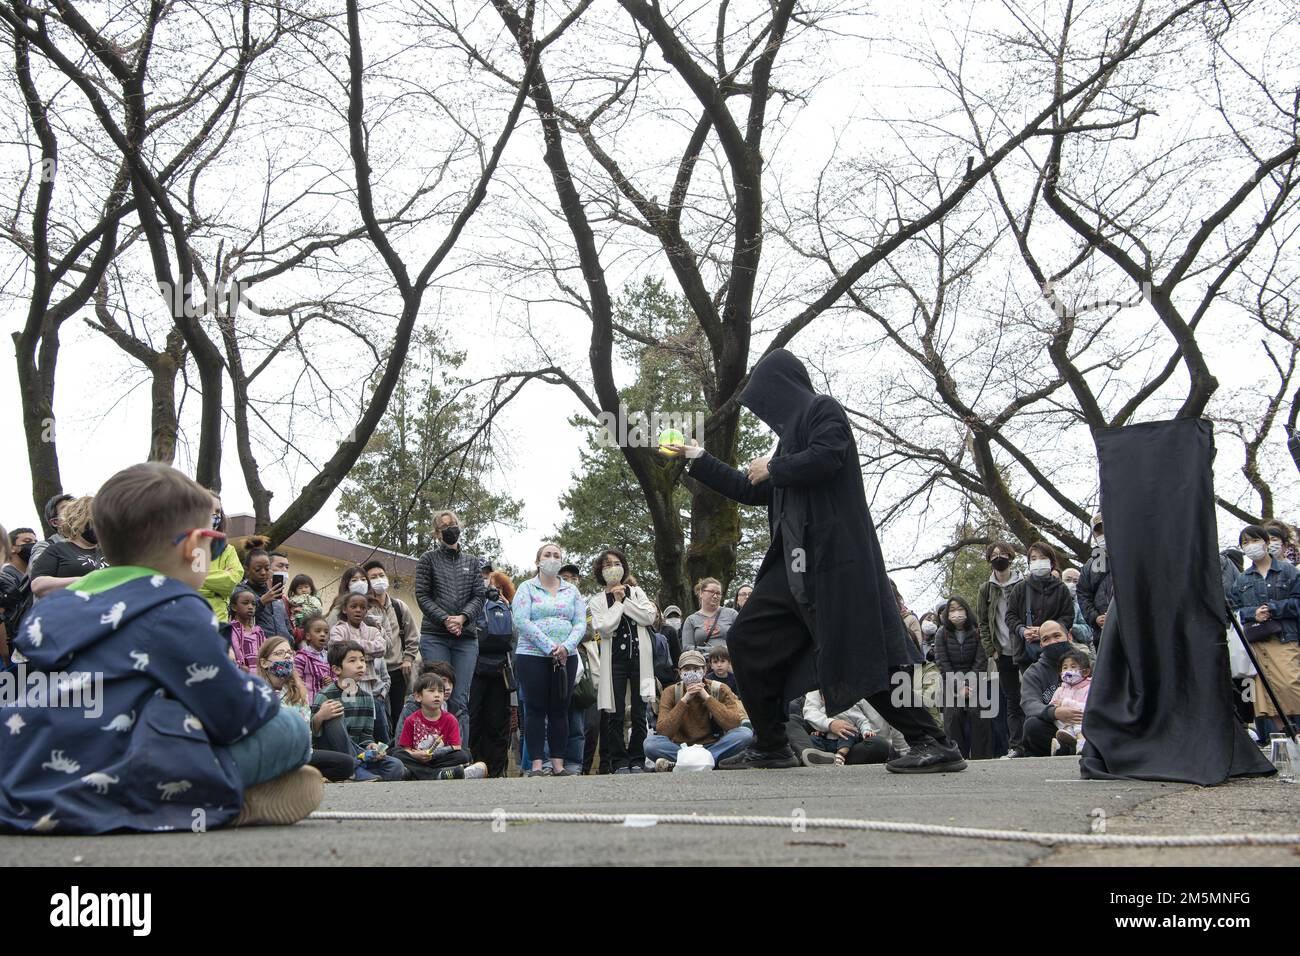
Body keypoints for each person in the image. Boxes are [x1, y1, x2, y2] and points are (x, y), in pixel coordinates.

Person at [668, 348, 964, 773]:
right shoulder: (785, 444)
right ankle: (771, 745)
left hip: (834, 568)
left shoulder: (824, 411)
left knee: (858, 663)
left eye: (766, 399)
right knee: (748, 639)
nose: (764, 412)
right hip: (791, 572)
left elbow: (829, 456)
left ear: (782, 388)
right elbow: (750, 489)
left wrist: (776, 465)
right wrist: (698, 459)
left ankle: (932, 741)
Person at [0, 462, 322, 832]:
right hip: (127, 773)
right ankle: (226, 798)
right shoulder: (174, 607)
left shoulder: (56, 608)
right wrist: (263, 697)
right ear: (191, 547)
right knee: (290, 731)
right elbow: (232, 709)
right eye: (213, 542)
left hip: (24, 778)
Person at [511, 542, 585, 776]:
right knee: (534, 709)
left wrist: (566, 646)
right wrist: (549, 646)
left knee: (559, 710)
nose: (552, 558)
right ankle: (535, 764)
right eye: (547, 555)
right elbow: (521, 620)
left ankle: (558, 764)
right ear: (538, 561)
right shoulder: (526, 588)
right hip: (532, 656)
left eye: (556, 555)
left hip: (566, 657)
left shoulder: (571, 591)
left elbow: (580, 622)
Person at [414, 510, 486, 745]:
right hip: (435, 635)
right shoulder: (428, 559)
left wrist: (463, 618)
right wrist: (446, 619)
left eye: (453, 524)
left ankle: (459, 754)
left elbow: (479, 595)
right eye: (444, 526)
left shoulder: (473, 562)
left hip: (465, 638)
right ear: (436, 533)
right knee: (436, 695)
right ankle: (433, 752)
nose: (450, 528)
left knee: (459, 700)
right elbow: (423, 596)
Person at [589, 548, 656, 774]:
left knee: (639, 712)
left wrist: (625, 599)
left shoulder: (636, 592)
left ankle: (637, 758)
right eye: (607, 565)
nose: (612, 568)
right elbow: (604, 628)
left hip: (639, 659)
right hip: (614, 660)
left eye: (616, 563)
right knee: (614, 712)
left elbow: (648, 617)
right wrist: (617, 604)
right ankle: (618, 761)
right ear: (600, 570)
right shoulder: (598, 600)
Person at [1231, 524, 1300, 742]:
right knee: (1266, 693)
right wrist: (1253, 613)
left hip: (1284, 637)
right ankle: (1286, 737)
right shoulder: (1243, 579)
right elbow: (1234, 609)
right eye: (1245, 543)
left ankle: (1295, 731)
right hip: (1256, 642)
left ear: (1265, 541)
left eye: (1254, 540)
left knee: (1290, 684)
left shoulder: (1288, 571)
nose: (1250, 546)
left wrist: (1272, 609)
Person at [256, 636, 355, 782]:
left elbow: (306, 733)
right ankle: (303, 777)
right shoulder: (255, 692)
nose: (286, 657)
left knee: (346, 764)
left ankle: (304, 776)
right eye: (279, 653)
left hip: (300, 753)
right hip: (272, 755)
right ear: (264, 663)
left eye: (289, 653)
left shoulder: (298, 692)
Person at [311, 641, 406, 781]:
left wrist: (371, 746)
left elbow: (365, 735)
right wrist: (320, 716)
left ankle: (359, 772)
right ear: (337, 669)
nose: (360, 664)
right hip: (333, 753)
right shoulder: (325, 695)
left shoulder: (367, 698)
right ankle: (354, 770)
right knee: (334, 712)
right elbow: (312, 735)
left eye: (362, 659)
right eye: (352, 660)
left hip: (357, 753)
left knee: (396, 766)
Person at [645, 650, 752, 770]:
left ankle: (685, 763)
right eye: (687, 669)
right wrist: (684, 700)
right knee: (650, 744)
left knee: (745, 733)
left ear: (705, 670)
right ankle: (707, 761)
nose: (692, 673)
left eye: (696, 669)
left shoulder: (720, 688)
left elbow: (734, 723)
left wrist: (706, 697)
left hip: (714, 745)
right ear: (680, 672)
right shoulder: (670, 692)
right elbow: (663, 731)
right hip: (681, 747)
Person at [977, 541, 1026, 756]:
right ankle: (1016, 746)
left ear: (1011, 557)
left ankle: (1038, 742)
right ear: (989, 560)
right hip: (1002, 652)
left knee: (1032, 694)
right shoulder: (985, 589)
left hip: (1024, 649)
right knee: (1012, 699)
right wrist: (991, 650)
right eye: (994, 554)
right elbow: (982, 622)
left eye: (1003, 553)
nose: (999, 557)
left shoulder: (1023, 584)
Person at [395, 673, 488, 780]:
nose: (437, 695)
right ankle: (441, 774)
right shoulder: (411, 720)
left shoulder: (450, 719)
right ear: (418, 696)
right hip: (418, 759)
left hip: (440, 759)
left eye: (440, 691)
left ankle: (419, 774)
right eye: (431, 691)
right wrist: (416, 755)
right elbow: (406, 749)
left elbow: (456, 746)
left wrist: (434, 754)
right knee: (398, 754)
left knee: (463, 755)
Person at [470, 569, 518, 778]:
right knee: (474, 720)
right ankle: (474, 766)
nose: (492, 591)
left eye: (498, 588)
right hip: (474, 668)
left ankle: (498, 771)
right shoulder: (471, 604)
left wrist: (507, 609)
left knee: (498, 722)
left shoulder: (508, 608)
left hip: (501, 670)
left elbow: (514, 640)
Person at [363, 560, 419, 735]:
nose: (379, 579)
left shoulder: (399, 606)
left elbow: (412, 636)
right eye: (373, 577)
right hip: (372, 671)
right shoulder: (362, 608)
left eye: (381, 575)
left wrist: (408, 658)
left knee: (398, 714)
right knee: (377, 716)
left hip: (398, 670)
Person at [330, 591, 392, 745]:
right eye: (354, 606)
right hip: (347, 680)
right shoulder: (339, 629)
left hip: (367, 681)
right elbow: (337, 648)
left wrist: (352, 646)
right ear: (345, 609)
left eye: (362, 607)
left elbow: (381, 648)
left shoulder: (373, 631)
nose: (358, 610)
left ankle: (366, 748)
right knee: (349, 713)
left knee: (367, 717)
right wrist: (366, 651)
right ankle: (349, 747)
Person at [935, 596, 992, 760]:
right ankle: (955, 757)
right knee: (953, 717)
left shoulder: (977, 631)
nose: (956, 613)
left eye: (960, 608)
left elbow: (981, 660)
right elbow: (942, 663)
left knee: (979, 715)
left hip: (975, 679)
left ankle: (983, 758)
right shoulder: (942, 633)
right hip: (951, 681)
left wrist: (969, 685)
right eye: (952, 609)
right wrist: (959, 687)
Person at [1018, 622, 1084, 757]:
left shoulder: (1087, 664)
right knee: (1031, 726)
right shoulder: (1033, 673)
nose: (1053, 642)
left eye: (1057, 636)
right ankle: (1069, 750)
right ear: (1041, 644)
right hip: (1056, 727)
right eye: (1046, 639)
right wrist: (1055, 712)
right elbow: (1029, 704)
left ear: (1069, 636)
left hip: (1086, 721)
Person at [1006, 540, 1075, 667]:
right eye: (1033, 558)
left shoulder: (1061, 588)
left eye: (1042, 558)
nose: (1038, 561)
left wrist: (1046, 631)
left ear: (1052, 562)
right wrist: (1022, 630)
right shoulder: (1020, 588)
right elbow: (1010, 616)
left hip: (1057, 651)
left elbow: (1068, 617)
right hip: (1026, 653)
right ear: (1029, 563)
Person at [28, 495, 106, 598]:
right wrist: (85, 581)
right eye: (92, 520)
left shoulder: (110, 550)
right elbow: (38, 584)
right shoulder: (56, 549)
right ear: (77, 520)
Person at [798, 689, 898, 766]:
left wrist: (867, 732)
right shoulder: (821, 707)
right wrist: (829, 725)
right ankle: (813, 756)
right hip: (825, 739)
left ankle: (839, 757)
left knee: (879, 745)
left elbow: (862, 721)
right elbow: (810, 713)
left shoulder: (850, 708)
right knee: (797, 724)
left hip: (849, 741)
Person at [198, 493, 243, 623]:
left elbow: (231, 582)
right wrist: (222, 576)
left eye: (217, 511)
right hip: (190, 617)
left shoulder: (228, 550)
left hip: (219, 622)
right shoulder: (184, 547)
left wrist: (199, 578)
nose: (214, 515)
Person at [239, 548, 293, 639]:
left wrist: (290, 640)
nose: (263, 572)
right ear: (246, 570)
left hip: (282, 649)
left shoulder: (277, 595)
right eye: (258, 569)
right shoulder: (240, 591)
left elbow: (287, 626)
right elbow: (240, 618)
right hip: (259, 649)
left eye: (266, 568)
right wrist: (261, 602)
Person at [1048, 646, 1092, 756]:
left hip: (1082, 720)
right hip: (1065, 723)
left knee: (1078, 720)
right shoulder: (1060, 690)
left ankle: (1081, 741)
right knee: (1056, 719)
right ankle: (1065, 741)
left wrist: (1065, 703)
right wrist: (1057, 709)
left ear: (1085, 672)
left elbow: (1088, 707)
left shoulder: (1090, 687)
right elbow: (1051, 706)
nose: (1068, 671)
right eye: (1065, 668)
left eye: (1073, 667)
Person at [1077, 513, 1111, 644]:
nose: (1103, 534)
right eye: (1099, 532)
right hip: (1102, 633)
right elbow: (1083, 595)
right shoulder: (1090, 566)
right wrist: (1095, 618)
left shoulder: (1133, 557)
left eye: (1106, 528)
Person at [1, 527, 37, 645]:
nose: (33, 545)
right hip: (16, 643)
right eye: (27, 542)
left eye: (35, 542)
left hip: (29, 637)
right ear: (11, 547)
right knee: (22, 664)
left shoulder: (29, 574)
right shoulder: (7, 575)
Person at [680, 577, 737, 652]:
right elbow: (687, 647)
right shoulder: (691, 620)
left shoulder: (732, 614)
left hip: (729, 661)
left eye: (718, 593)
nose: (715, 596)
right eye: (711, 592)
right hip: (702, 661)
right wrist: (714, 650)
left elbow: (742, 639)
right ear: (701, 593)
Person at [26, 493, 72, 570]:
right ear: (55, 522)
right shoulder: (44, 546)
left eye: (75, 506)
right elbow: (39, 572)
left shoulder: (93, 544)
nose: (74, 511)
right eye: (66, 508)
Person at [295, 613, 333, 703]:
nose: (323, 634)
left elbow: (335, 675)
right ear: (308, 636)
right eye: (318, 631)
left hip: (326, 700)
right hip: (309, 701)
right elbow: (296, 679)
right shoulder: (302, 657)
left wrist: (331, 680)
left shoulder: (329, 656)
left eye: (326, 632)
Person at [228, 588, 267, 673]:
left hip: (260, 676)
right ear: (234, 607)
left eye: (253, 604)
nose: (250, 607)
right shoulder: (231, 629)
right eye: (245, 603)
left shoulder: (258, 631)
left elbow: (267, 651)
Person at [1060, 567, 1094, 645]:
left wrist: (1071, 626)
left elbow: (1088, 633)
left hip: (1075, 647)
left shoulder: (1082, 606)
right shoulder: (1051, 602)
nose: (1071, 584)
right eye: (1068, 580)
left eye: (1075, 581)